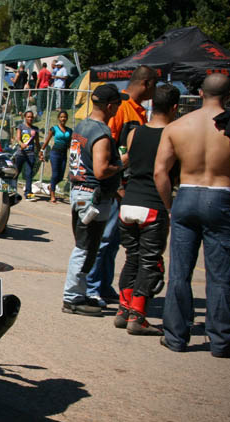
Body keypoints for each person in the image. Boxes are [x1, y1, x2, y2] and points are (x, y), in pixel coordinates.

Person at [154, 74, 230, 358]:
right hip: (220, 195)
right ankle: (222, 340)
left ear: (200, 93)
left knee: (179, 273)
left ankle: (175, 336)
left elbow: (160, 172)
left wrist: (169, 206)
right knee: (220, 276)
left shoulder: (177, 126)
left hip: (186, 196)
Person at [86, 66, 158, 308]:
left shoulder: (137, 110)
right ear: (146, 83)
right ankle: (92, 287)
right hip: (113, 185)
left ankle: (104, 285)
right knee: (104, 239)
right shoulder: (122, 110)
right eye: (154, 85)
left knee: (114, 241)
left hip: (127, 185)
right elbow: (108, 148)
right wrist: (115, 184)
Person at [115, 84, 180, 335]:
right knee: (149, 262)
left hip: (129, 203)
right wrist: (170, 207)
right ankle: (138, 317)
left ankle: (123, 309)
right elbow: (163, 173)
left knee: (132, 258)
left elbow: (129, 162)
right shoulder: (173, 134)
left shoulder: (135, 133)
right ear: (175, 107)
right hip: (153, 204)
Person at [62, 84, 127, 316]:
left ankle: (77, 294)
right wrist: (122, 162)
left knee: (86, 246)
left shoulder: (82, 126)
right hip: (92, 195)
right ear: (110, 106)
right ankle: (72, 298)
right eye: (118, 104)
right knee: (85, 247)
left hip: (80, 192)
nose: (118, 108)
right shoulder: (101, 133)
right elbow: (100, 170)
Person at [39, 110, 72, 203]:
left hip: (64, 154)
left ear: (67, 118)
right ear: (58, 118)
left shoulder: (69, 130)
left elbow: (70, 144)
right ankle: (52, 195)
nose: (63, 119)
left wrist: (73, 154)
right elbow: (47, 140)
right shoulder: (54, 129)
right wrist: (41, 150)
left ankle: (51, 186)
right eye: (61, 117)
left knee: (61, 177)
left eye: (65, 117)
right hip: (55, 153)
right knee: (55, 174)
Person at [15, 110, 40, 199]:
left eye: (31, 117)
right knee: (16, 172)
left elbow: (37, 143)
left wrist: (40, 152)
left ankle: (28, 193)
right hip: (20, 153)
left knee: (29, 173)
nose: (30, 118)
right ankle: (12, 190)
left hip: (31, 154)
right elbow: (17, 138)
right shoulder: (20, 126)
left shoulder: (35, 129)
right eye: (28, 117)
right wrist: (21, 144)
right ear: (25, 118)